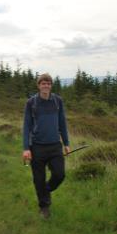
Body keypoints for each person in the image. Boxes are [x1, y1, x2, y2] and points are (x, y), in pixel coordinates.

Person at [22, 73, 70, 219]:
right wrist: (26, 148)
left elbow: (62, 123)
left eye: (48, 83)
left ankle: (46, 190)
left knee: (59, 174)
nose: (46, 86)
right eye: (43, 83)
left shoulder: (57, 101)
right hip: (37, 147)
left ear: (51, 85)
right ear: (39, 85)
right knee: (38, 179)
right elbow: (27, 126)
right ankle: (44, 207)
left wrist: (66, 143)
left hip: (55, 145)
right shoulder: (31, 103)